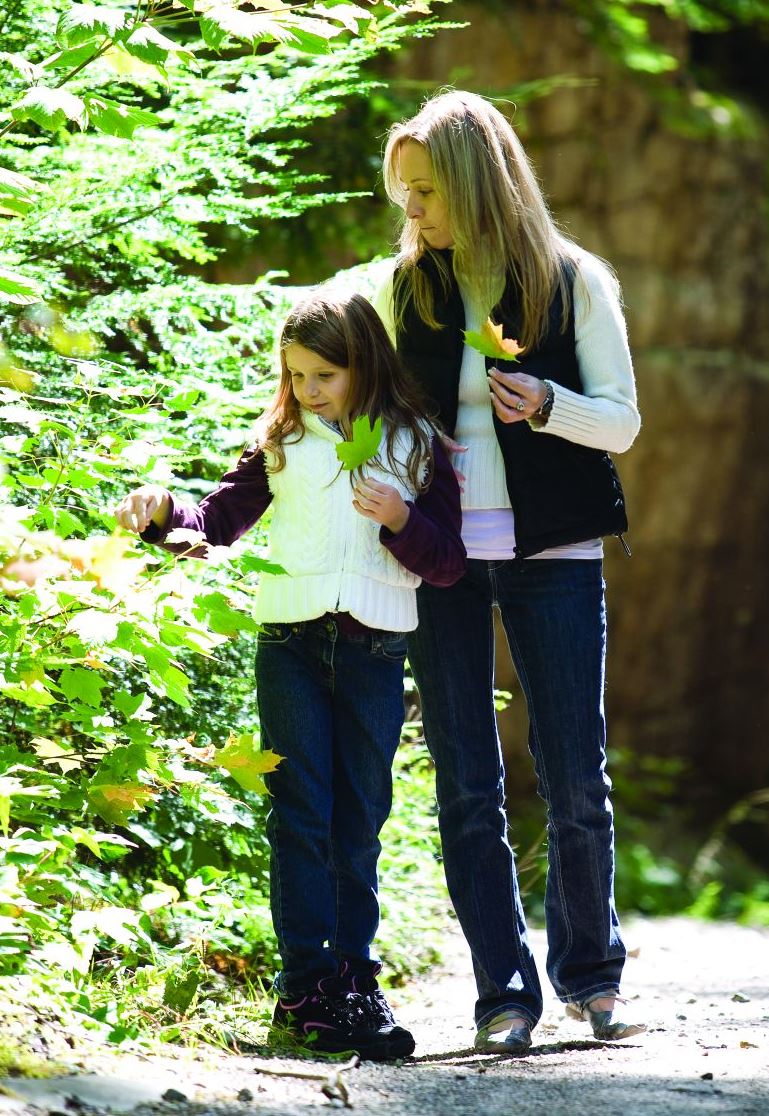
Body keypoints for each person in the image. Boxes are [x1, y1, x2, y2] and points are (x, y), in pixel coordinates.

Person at [114, 287, 466, 1058]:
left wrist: (402, 520)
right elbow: (218, 522)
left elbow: (448, 563)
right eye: (297, 375)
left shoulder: (414, 445)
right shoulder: (280, 441)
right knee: (301, 817)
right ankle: (306, 993)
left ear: (364, 365)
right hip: (291, 644)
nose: (308, 391)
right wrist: (165, 511)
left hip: (376, 651)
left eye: (325, 377)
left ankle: (356, 984)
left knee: (360, 821)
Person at [374, 89, 644, 1052]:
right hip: (443, 558)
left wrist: (548, 402)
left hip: (555, 552)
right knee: (464, 783)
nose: (412, 212)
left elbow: (620, 420)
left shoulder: (573, 280)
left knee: (574, 772)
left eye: (426, 193)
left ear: (478, 184)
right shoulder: (407, 287)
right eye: (403, 194)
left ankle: (592, 975)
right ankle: (504, 994)